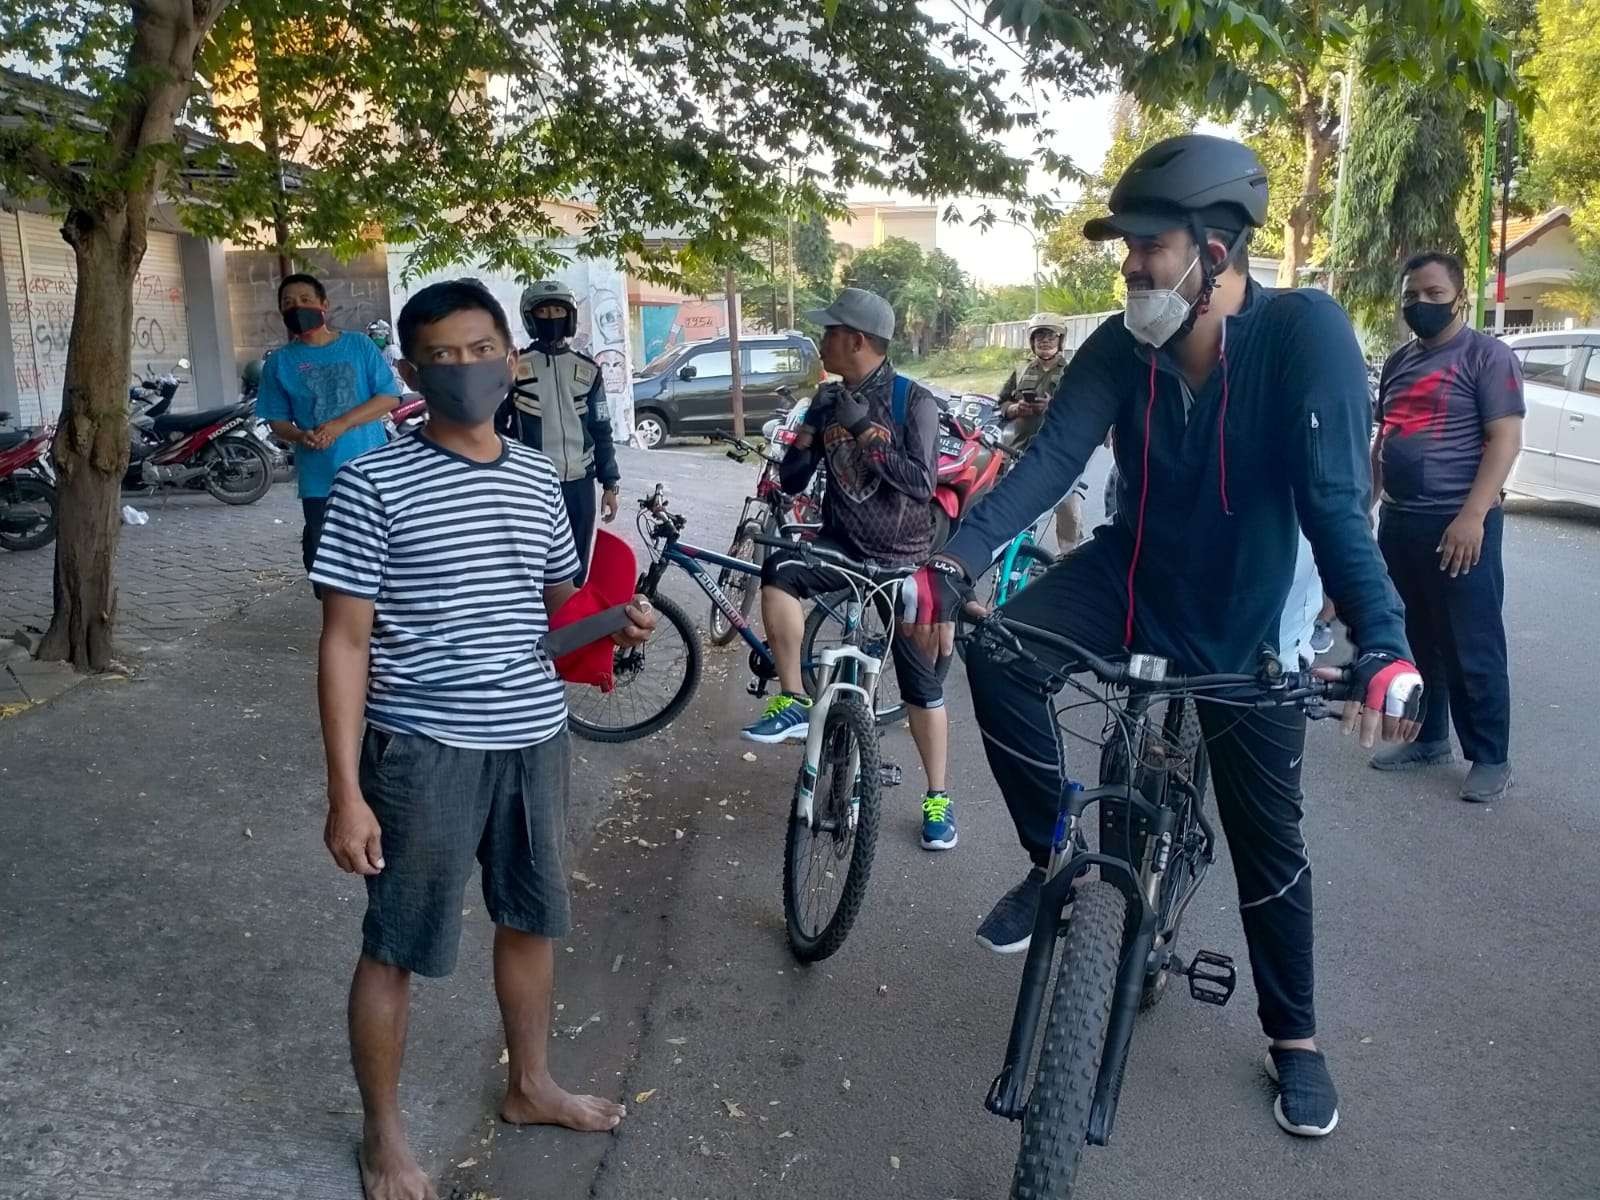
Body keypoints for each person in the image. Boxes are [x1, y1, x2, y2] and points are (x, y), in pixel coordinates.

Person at [899, 135, 1424, 1138]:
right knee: (998, 650)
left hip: (1247, 609)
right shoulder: (1119, 345)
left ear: (1217, 250)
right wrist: (954, 559)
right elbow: (1051, 458)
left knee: (1270, 836)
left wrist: (1383, 642)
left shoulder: (1301, 334)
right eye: (1126, 247)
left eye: (1149, 244)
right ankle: (1055, 856)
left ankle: (1294, 1039)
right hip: (1134, 574)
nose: (1129, 264)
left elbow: (1332, 505)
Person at [311, 278, 656, 1200]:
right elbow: (345, 641)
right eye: (442, 356)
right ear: (413, 370)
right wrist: (345, 791)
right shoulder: (371, 481)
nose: (465, 369)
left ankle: (530, 1084)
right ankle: (385, 1139)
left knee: (531, 918)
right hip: (424, 748)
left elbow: (551, 620)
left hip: (535, 737)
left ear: (511, 357)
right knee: (396, 944)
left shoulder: (539, 476)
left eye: (478, 350)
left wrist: (612, 623)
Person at [741, 287, 958, 852]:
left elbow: (919, 483)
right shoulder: (825, 398)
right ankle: (792, 698)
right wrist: (808, 439)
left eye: (829, 332)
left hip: (902, 563)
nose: (822, 341)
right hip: (840, 548)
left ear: (856, 341)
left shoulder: (915, 402)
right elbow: (789, 481)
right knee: (781, 568)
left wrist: (863, 429)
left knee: (921, 687)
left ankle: (938, 797)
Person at [1369, 252, 1523, 801]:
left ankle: (1491, 756)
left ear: (1458, 296)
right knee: (1414, 638)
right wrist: (1367, 505)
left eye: (1433, 294)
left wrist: (1473, 515)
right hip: (1401, 522)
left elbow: (1505, 439)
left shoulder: (1487, 356)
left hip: (1459, 523)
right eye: (1412, 295)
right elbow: (1385, 440)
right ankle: (1428, 736)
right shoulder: (1398, 362)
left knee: (1471, 642)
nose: (1421, 304)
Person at [257, 273, 401, 596]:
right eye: (288, 303)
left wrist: (341, 424)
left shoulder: (358, 345)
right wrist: (299, 435)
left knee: (384, 563)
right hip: (320, 482)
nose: (297, 307)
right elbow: (277, 420)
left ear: (324, 304)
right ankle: (345, 632)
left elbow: (389, 397)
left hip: (373, 475)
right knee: (330, 571)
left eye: (306, 300)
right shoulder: (279, 363)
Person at [498, 279, 621, 581]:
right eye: (543, 311)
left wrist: (610, 484)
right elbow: (496, 428)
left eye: (558, 310)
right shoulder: (514, 367)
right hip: (530, 485)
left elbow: (601, 428)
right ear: (530, 318)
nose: (551, 317)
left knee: (577, 568)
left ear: (570, 317)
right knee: (532, 568)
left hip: (580, 484)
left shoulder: (589, 370)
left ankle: (570, 626)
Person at [997, 313, 1090, 548]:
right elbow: (1001, 404)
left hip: (1058, 450)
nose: (1045, 341)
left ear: (1060, 340)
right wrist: (1017, 407)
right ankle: (1008, 552)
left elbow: (1083, 408)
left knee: (1068, 507)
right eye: (1039, 336)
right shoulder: (1020, 370)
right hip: (1018, 447)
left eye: (1050, 336)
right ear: (1032, 341)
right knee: (1004, 497)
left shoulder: (1075, 370)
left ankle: (1068, 558)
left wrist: (1052, 406)